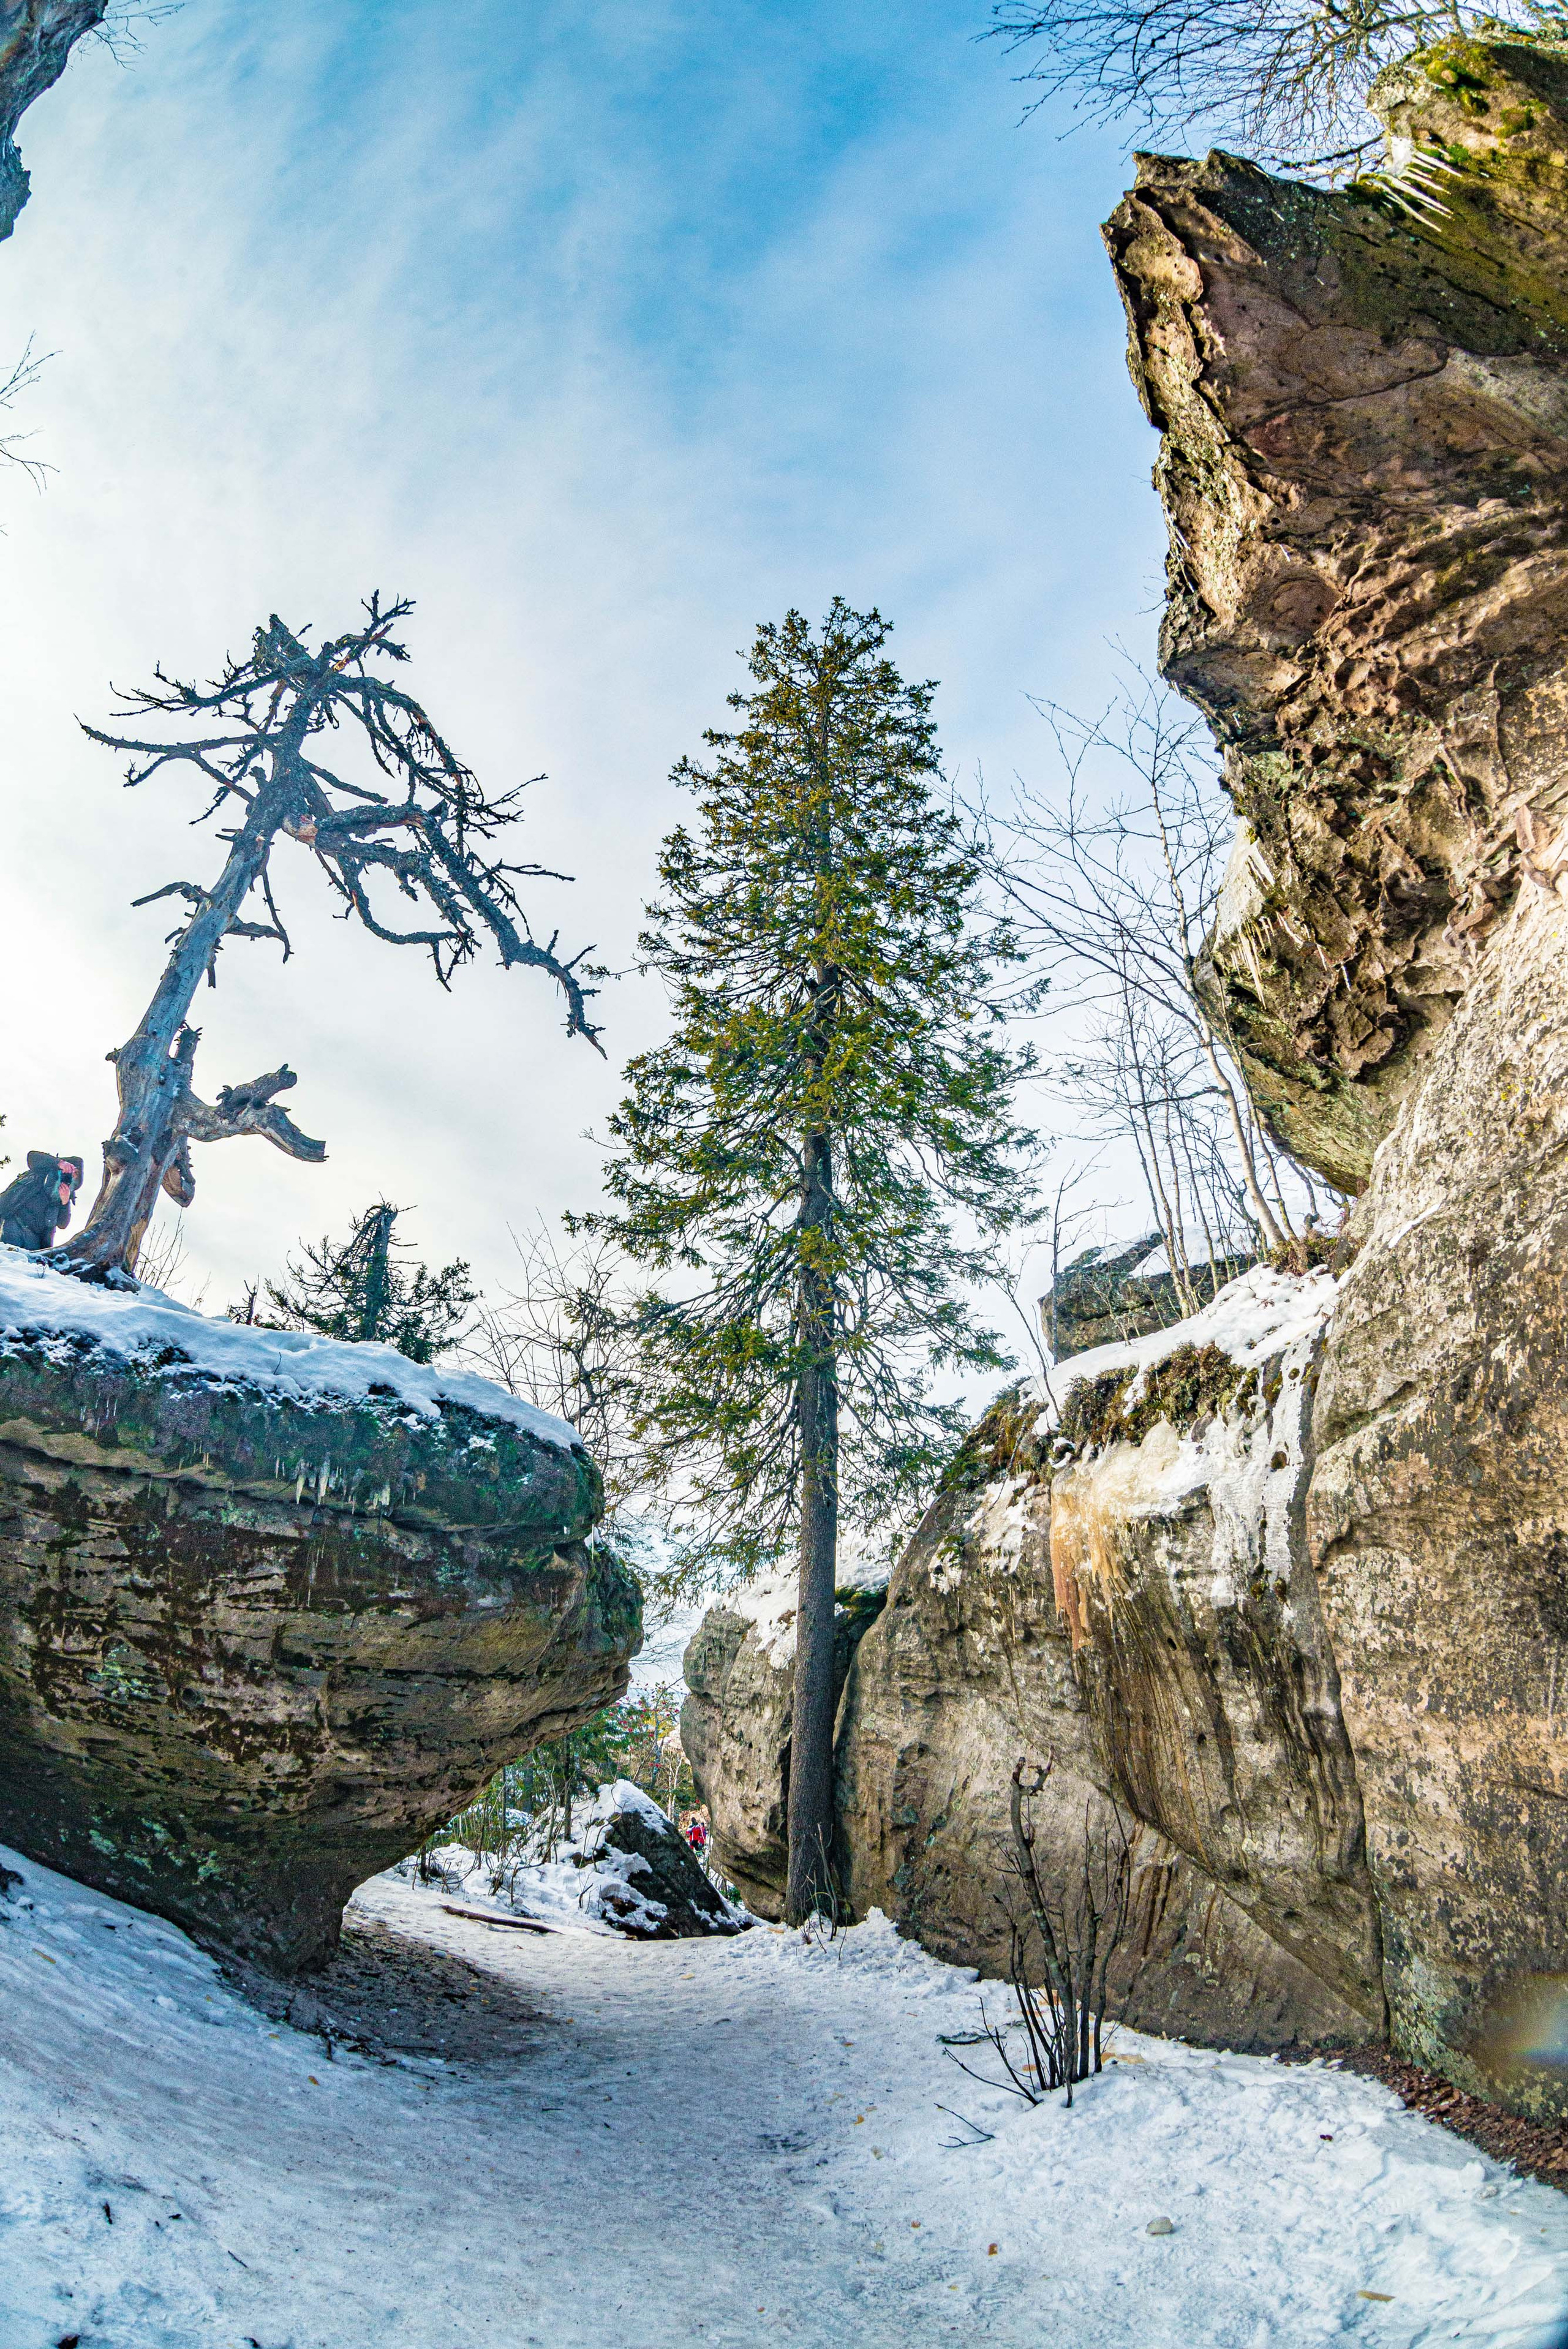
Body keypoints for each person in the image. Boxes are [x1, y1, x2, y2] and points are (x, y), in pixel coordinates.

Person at [0, 1153, 85, 1251]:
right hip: (15, 1222)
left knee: (24, 1260)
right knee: (9, 1255)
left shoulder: (67, 1194)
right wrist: (59, 1163)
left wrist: (65, 1203)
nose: (73, 1174)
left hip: (36, 1239)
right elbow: (32, 1157)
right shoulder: (44, 1172)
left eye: (77, 1173)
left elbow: (63, 1224)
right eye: (72, 1169)